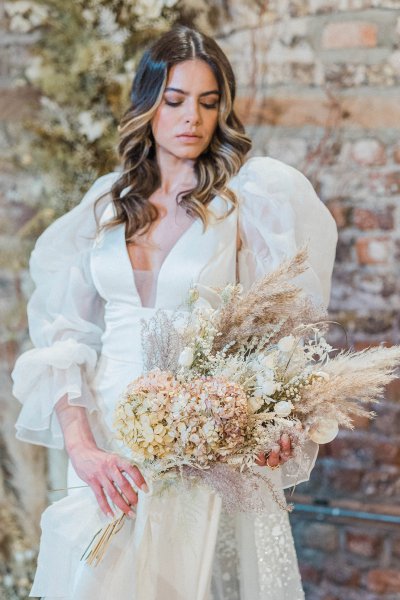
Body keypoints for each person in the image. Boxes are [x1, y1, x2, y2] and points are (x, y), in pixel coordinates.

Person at [11, 24, 337, 600]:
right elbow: (65, 336)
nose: (193, 118)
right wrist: (83, 449)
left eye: (209, 103)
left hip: (200, 438)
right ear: (148, 104)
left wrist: (275, 421)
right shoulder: (107, 204)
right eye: (176, 100)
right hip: (107, 439)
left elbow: (280, 338)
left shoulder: (244, 202)